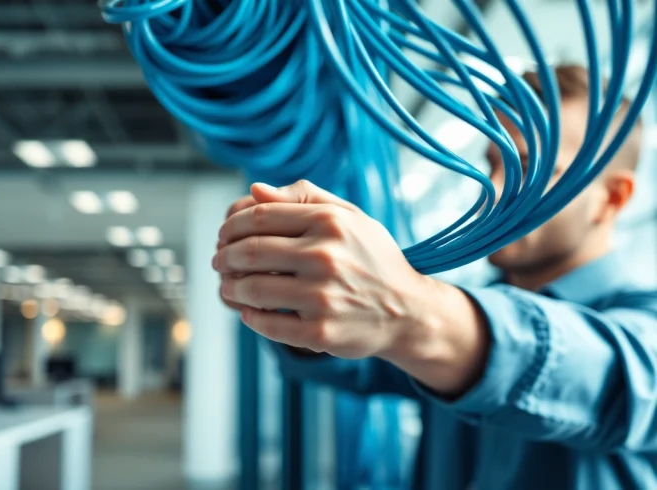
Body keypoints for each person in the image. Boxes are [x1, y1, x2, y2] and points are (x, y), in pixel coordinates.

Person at [212, 64, 657, 489]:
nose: (496, 190)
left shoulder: (642, 329)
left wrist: (414, 315)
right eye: (492, 163)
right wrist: (290, 296)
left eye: (531, 168)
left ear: (612, 198)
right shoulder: (467, 309)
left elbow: (617, 381)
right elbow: (361, 367)